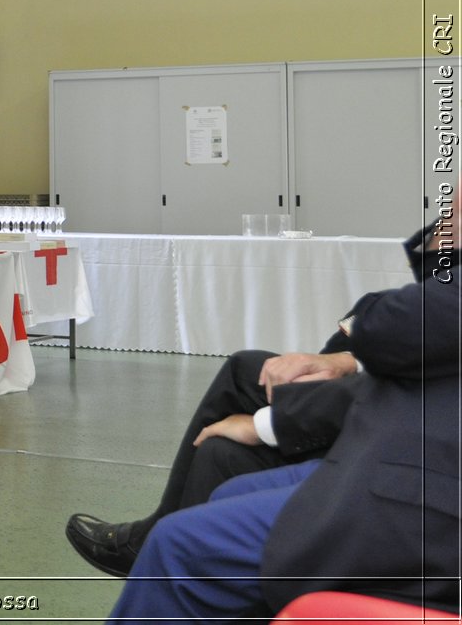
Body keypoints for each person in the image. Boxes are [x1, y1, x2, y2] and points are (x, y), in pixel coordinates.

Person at [66, 214, 454, 578]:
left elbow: (414, 320)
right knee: (219, 449)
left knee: (244, 371)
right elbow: (399, 310)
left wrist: (267, 422)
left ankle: (156, 542)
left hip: (410, 455)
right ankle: (167, 556)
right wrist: (349, 355)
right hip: (391, 414)